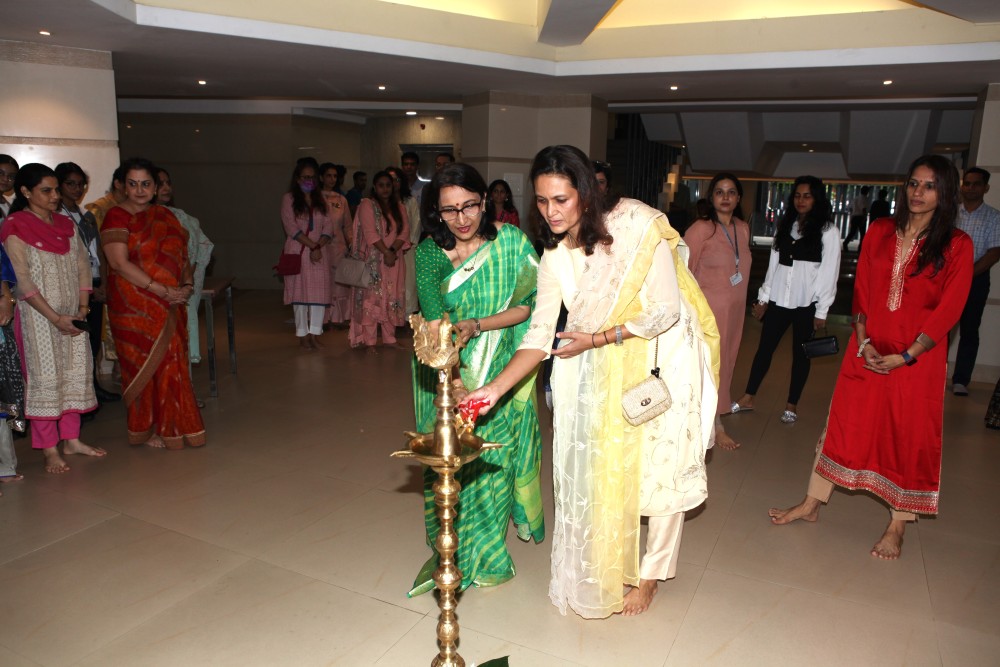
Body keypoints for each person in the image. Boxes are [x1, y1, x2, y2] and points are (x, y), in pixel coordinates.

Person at [462, 145, 719, 618]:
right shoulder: (554, 257)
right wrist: (493, 389)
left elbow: (666, 309)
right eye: (542, 201)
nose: (551, 212)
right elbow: (539, 336)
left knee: (660, 468)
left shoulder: (636, 226)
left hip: (663, 356)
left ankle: (651, 575)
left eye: (561, 199)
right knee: (608, 462)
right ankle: (613, 555)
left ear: (584, 192)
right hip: (600, 362)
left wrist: (598, 338)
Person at [769, 155, 973, 559]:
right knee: (843, 423)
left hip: (918, 360)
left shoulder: (956, 245)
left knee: (906, 434)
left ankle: (898, 525)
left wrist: (908, 356)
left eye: (929, 186)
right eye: (913, 183)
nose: (918, 192)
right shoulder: (880, 230)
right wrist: (863, 341)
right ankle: (812, 503)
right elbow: (862, 289)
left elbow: (950, 309)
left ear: (946, 193)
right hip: (867, 350)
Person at [408, 162, 544, 596]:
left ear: (485, 201)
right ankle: (451, 543)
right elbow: (435, 326)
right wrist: (456, 384)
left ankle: (486, 553)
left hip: (502, 363)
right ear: (437, 212)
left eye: (469, 206)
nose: (461, 218)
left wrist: (478, 324)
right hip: (444, 369)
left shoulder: (511, 242)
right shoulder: (430, 253)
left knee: (492, 459)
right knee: (451, 459)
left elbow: (526, 308)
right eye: (449, 210)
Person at [1, 163, 104, 473]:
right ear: (25, 191)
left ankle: (71, 440)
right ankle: (49, 449)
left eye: (56, 189)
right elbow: (22, 281)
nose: (55, 196)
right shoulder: (15, 226)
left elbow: (83, 266)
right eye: (46, 191)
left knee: (75, 373)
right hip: (38, 318)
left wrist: (82, 309)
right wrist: (55, 317)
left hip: (73, 314)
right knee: (44, 378)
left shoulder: (66, 224)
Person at [102, 157, 206, 449]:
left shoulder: (166, 216)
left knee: (173, 362)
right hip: (134, 305)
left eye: (146, 184)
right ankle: (148, 428)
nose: (140, 190)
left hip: (169, 302)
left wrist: (185, 286)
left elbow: (182, 256)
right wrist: (161, 290)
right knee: (143, 365)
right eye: (133, 184)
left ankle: (174, 425)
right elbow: (118, 263)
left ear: (156, 187)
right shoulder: (116, 216)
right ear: (122, 186)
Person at [733, 175, 841, 424]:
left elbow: (829, 272)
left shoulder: (828, 231)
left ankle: (792, 404)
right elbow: (774, 265)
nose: (801, 200)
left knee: (801, 355)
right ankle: (749, 397)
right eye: (797, 196)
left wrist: (822, 310)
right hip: (779, 300)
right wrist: (764, 298)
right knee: (764, 350)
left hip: (806, 304)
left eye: (807, 196)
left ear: (817, 199)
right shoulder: (786, 225)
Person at [684, 173, 751, 450]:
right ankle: (715, 425)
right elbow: (683, 272)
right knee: (711, 366)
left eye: (731, 192)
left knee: (727, 363)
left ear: (738, 198)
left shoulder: (742, 228)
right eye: (720, 192)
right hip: (707, 314)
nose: (725, 197)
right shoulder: (701, 229)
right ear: (711, 197)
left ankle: (712, 414)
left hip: (734, 312)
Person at [56, 162, 121, 404]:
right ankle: (76, 396)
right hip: (72, 285)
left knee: (92, 340)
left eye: (81, 184)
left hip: (94, 280)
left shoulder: (87, 215)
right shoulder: (56, 216)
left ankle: (93, 389)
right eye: (70, 184)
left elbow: (99, 251)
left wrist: (102, 283)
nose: (76, 189)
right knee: (75, 341)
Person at [154, 167, 215, 363]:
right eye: (160, 184)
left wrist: (188, 279)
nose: (166, 188)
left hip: (184, 286)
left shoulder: (183, 217)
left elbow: (203, 246)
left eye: (168, 183)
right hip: (155, 288)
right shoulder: (140, 217)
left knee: (180, 342)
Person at [951, 167, 1000, 396]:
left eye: (976, 184)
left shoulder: (994, 217)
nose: (970, 188)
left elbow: (994, 252)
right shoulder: (951, 214)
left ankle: (961, 380)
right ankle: (932, 374)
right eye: (967, 183)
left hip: (976, 280)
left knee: (969, 331)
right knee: (939, 328)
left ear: (985, 188)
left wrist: (966, 275)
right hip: (947, 280)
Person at [348, 171, 410, 349]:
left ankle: (390, 338)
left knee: (392, 295)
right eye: (381, 185)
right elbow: (370, 233)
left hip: (394, 260)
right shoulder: (367, 205)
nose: (385, 189)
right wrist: (386, 252)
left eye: (388, 185)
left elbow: (404, 231)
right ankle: (370, 340)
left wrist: (392, 251)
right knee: (372, 297)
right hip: (373, 260)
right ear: (374, 187)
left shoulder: (399, 207)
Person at [279, 160, 333, 350]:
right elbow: (291, 227)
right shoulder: (289, 199)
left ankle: (315, 334)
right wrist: (313, 246)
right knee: (299, 295)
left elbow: (328, 226)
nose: (309, 180)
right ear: (297, 179)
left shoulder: (322, 200)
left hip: (319, 253)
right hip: (299, 252)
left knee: (319, 295)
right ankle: (302, 335)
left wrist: (318, 246)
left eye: (312, 177)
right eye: (305, 177)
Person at [318, 162, 352, 325]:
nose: (332, 179)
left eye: (335, 176)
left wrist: (352, 244)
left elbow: (348, 226)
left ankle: (338, 317)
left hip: (339, 247)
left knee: (339, 283)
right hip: (320, 246)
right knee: (322, 282)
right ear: (321, 177)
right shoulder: (314, 198)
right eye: (328, 176)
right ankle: (322, 318)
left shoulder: (341, 200)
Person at [386, 166, 422, 315]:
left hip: (407, 249)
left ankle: (407, 316)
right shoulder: (380, 203)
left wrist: (409, 243)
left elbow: (416, 223)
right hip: (386, 249)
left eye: (396, 180)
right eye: (390, 180)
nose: (394, 183)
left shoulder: (409, 201)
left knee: (408, 282)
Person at [844, 185, 871, 251]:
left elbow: (850, 208)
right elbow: (864, 209)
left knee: (852, 232)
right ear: (867, 192)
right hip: (861, 217)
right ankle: (860, 248)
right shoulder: (865, 199)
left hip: (854, 217)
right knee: (862, 234)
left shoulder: (855, 198)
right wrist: (864, 218)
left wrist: (852, 216)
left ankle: (845, 243)